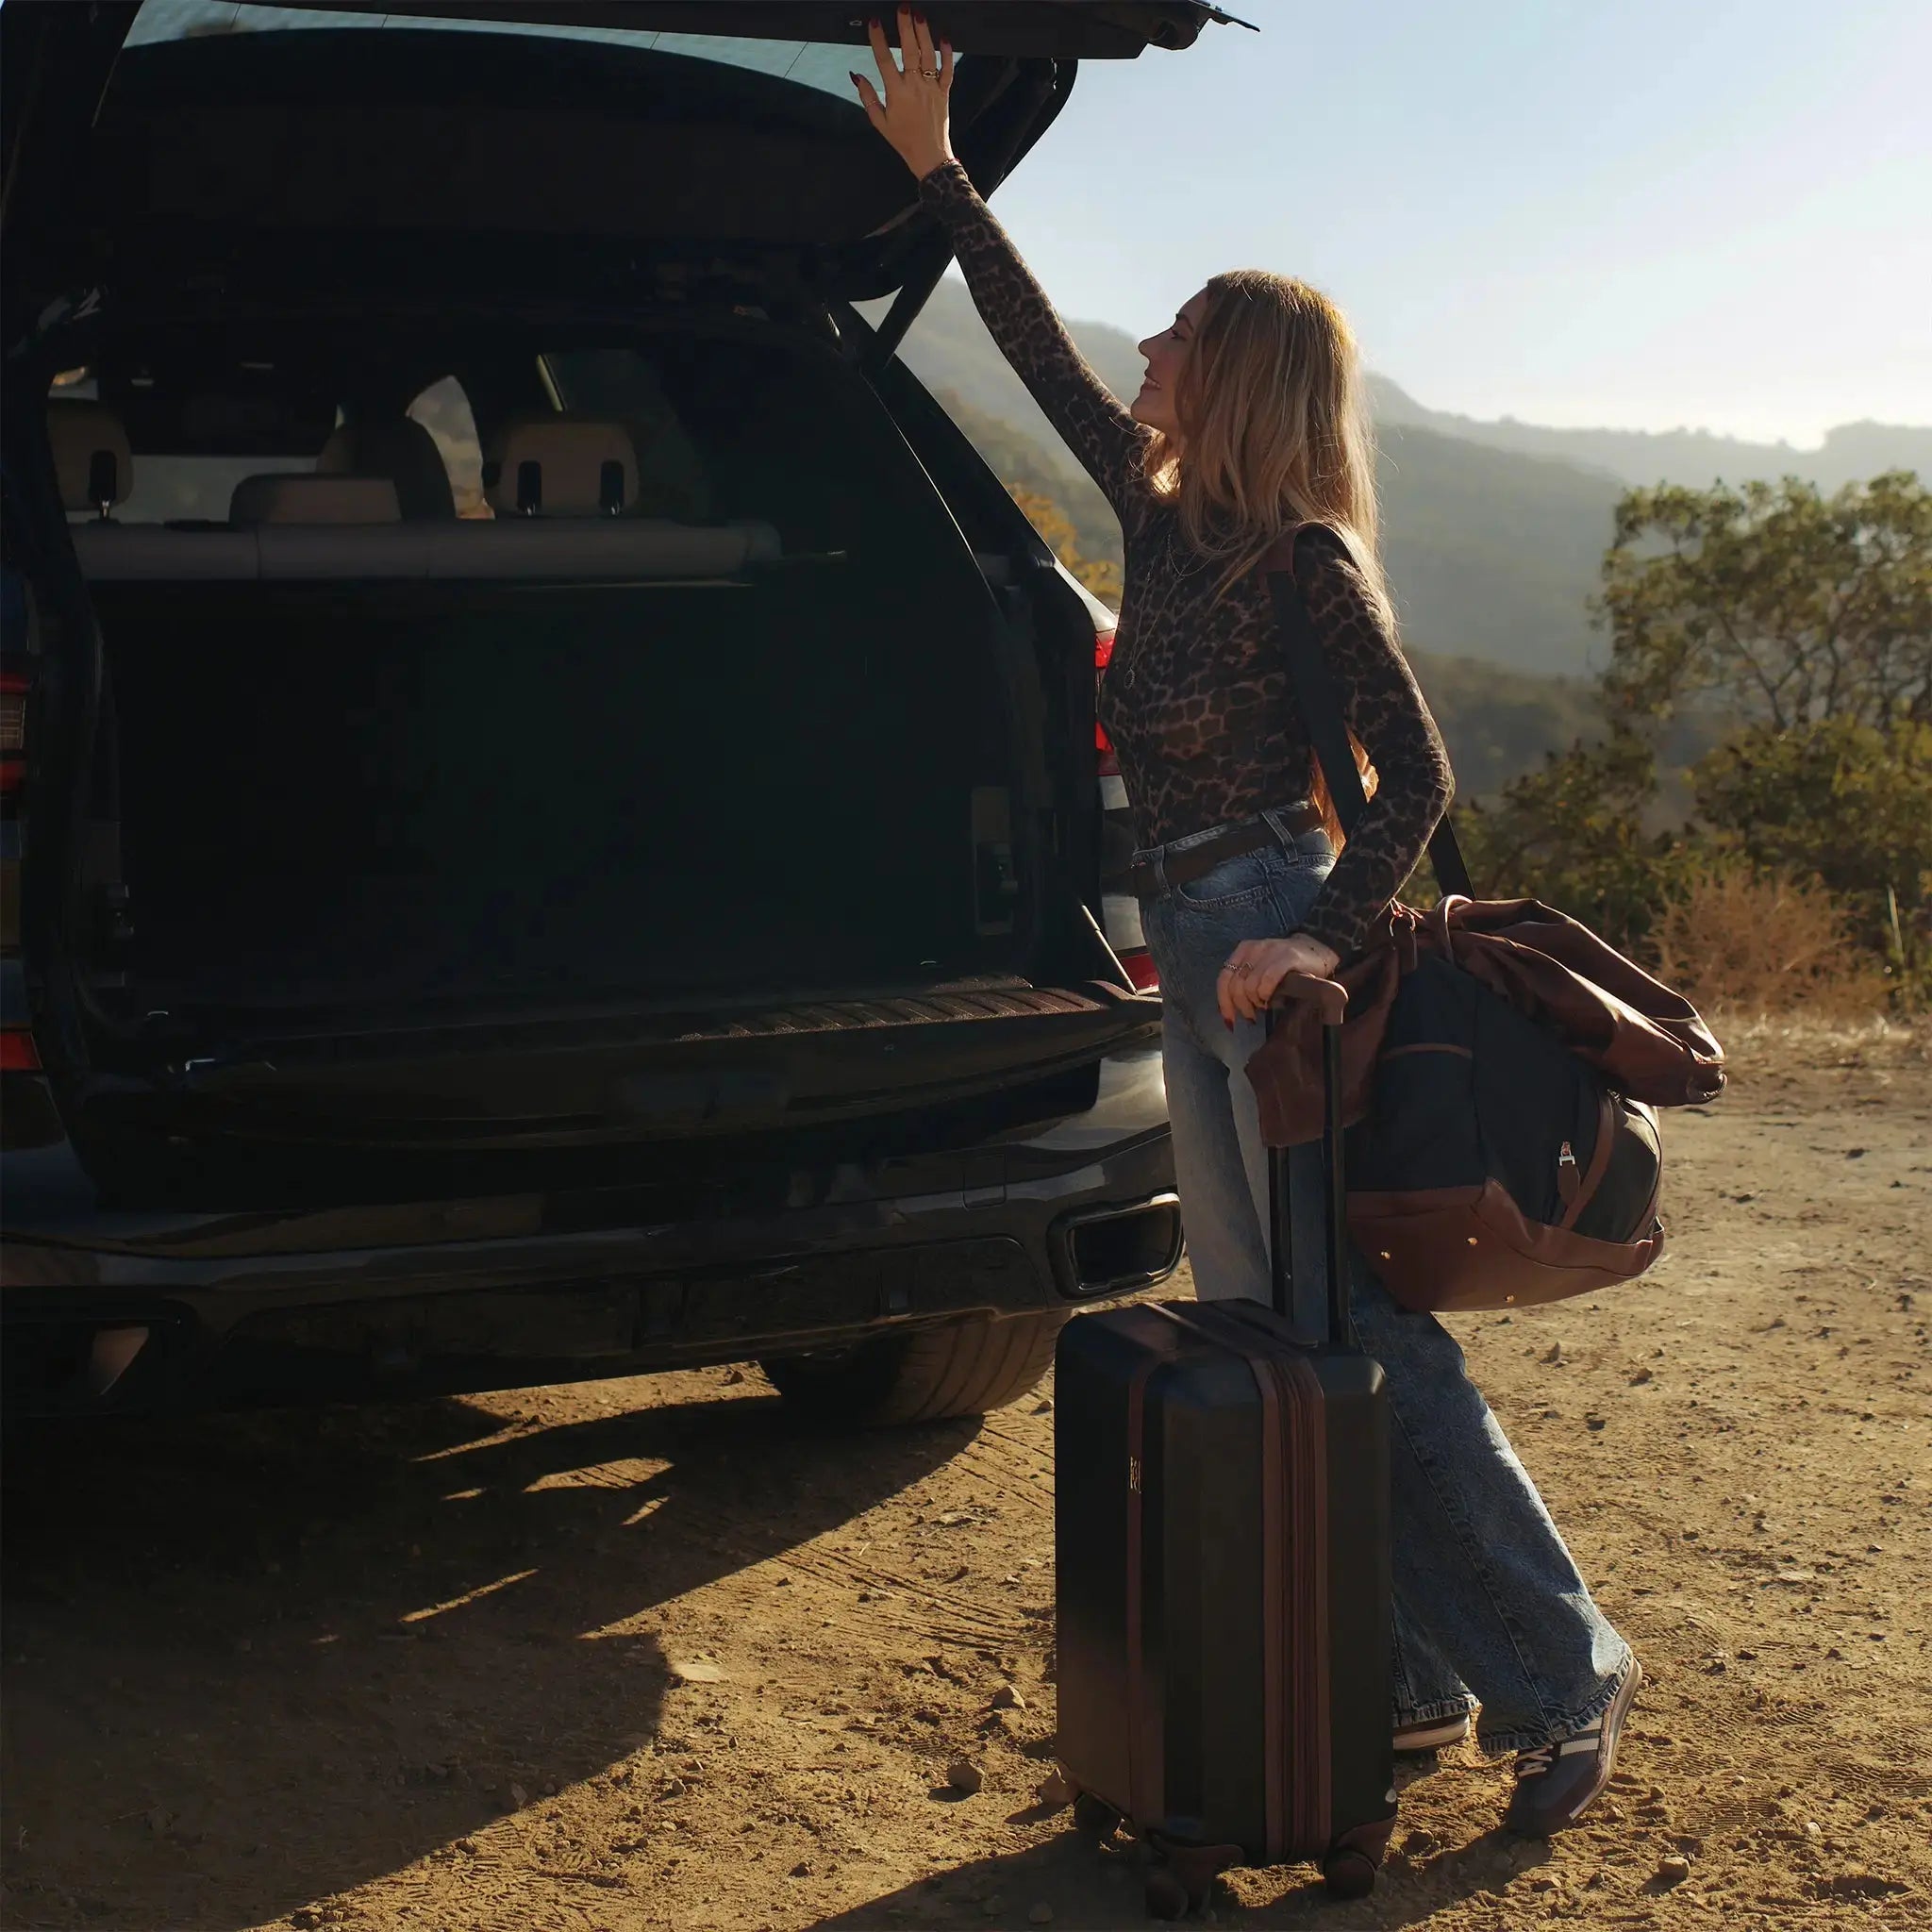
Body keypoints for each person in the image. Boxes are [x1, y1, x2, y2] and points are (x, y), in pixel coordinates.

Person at [853, 11, 1641, 1838]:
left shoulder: (1302, 561)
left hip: (1278, 959)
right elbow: (1042, 355)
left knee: (1354, 1325)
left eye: (1181, 336)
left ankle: (1561, 1675)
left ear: (1244, 378)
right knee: (1259, 1332)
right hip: (1200, 956)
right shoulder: (1157, 517)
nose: (1146, 351)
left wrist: (1317, 950)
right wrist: (941, 174)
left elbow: (1421, 776)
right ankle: (1413, 1681)